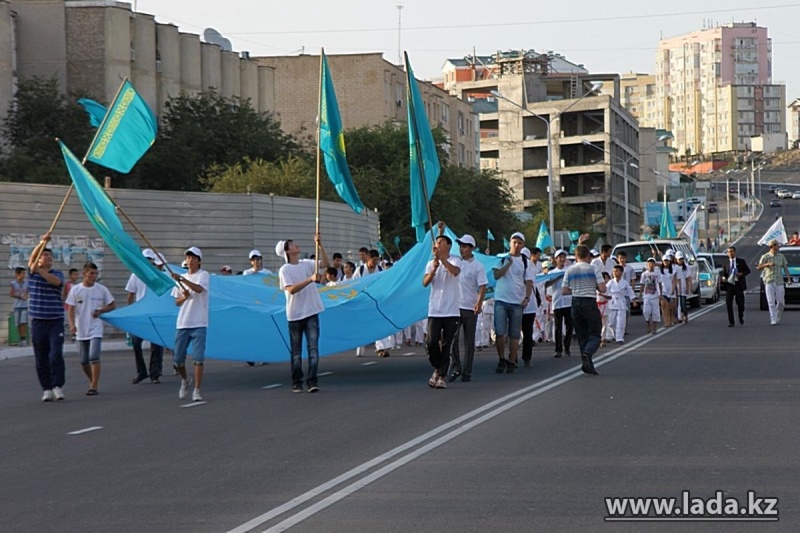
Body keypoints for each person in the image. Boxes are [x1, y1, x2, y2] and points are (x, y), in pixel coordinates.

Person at [278, 235, 329, 393]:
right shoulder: (285, 270)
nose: (296, 246)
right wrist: (309, 280)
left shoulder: (306, 264)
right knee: (296, 351)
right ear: (287, 251)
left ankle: (312, 381)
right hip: (295, 315)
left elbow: (326, 264)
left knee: (313, 348)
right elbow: (291, 289)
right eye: (292, 245)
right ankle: (297, 381)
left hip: (311, 311)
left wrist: (320, 246)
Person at [65, 262, 115, 396]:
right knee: (83, 360)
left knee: (94, 356)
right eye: (91, 273)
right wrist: (71, 325)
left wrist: (101, 310)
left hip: (96, 328)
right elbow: (70, 309)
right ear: (84, 274)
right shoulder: (76, 290)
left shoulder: (101, 289)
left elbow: (112, 305)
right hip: (81, 329)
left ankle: (94, 385)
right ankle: (91, 379)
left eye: (96, 273)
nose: (94, 276)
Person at [27, 233, 66, 402]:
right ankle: (47, 388)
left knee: (55, 354)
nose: (47, 257)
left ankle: (57, 385)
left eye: (49, 255)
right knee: (40, 356)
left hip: (55, 320)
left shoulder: (57, 274)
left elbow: (56, 282)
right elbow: (31, 259)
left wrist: (41, 270)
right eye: (44, 255)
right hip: (38, 321)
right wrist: (42, 243)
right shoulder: (32, 273)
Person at [422, 229, 461, 389]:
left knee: (447, 344)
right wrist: (434, 268)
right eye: (436, 243)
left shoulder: (456, 260)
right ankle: (437, 368)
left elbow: (455, 272)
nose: (437, 245)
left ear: (448, 245)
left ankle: (442, 375)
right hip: (435, 310)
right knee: (431, 342)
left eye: (440, 242)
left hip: (451, 310)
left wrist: (443, 261)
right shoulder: (431, 264)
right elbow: (425, 282)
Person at [170, 247, 210, 401]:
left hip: (199, 322)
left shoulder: (203, 275)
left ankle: (197, 391)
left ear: (199, 260)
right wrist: (184, 296)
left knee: (198, 358)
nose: (190, 260)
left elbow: (199, 289)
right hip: (183, 323)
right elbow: (177, 302)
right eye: (188, 258)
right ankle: (185, 379)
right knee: (178, 360)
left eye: (194, 258)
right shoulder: (181, 278)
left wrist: (183, 280)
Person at [492, 232, 535, 374]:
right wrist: (508, 264)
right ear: (510, 243)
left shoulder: (526, 262)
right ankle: (501, 359)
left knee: (515, 334)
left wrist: (527, 297)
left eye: (520, 243)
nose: (516, 246)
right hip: (501, 300)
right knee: (500, 333)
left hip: (517, 301)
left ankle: (511, 360)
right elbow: (497, 275)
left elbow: (529, 282)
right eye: (514, 242)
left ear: (523, 245)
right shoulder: (501, 258)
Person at [449, 234, 487, 383]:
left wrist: (479, 302)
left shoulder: (478, 266)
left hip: (470, 307)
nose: (462, 249)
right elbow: (440, 251)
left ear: (472, 248)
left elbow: (483, 285)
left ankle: (467, 372)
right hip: (455, 306)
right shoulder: (456, 261)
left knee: (468, 341)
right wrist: (441, 231)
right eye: (460, 246)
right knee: (453, 339)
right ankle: (456, 367)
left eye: (465, 246)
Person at [562, 244, 606, 375]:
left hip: (575, 303)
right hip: (589, 302)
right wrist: (594, 287)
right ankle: (588, 352)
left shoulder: (569, 270)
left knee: (582, 335)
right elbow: (603, 288)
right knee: (595, 334)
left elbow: (564, 290)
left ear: (576, 256)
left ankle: (587, 363)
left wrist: (575, 289)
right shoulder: (593, 268)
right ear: (588, 256)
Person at [125, 249, 165, 384]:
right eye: (145, 259)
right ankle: (141, 372)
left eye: (149, 260)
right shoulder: (136, 275)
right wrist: (130, 311)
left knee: (156, 344)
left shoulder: (157, 275)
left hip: (154, 312)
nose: (147, 262)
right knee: (136, 342)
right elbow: (131, 294)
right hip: (140, 313)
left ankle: (155, 373)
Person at [757, 240, 790, 325]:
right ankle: (773, 319)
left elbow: (785, 268)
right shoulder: (765, 256)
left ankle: (778, 315)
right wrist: (766, 264)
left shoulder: (781, 256)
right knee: (771, 302)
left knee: (781, 302)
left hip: (779, 281)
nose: (778, 247)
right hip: (769, 280)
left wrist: (788, 279)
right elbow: (758, 267)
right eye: (777, 245)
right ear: (772, 246)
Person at [547, 250, 573, 358]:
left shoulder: (569, 271)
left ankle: (567, 347)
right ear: (555, 259)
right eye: (560, 257)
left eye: (563, 257)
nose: (562, 259)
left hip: (568, 301)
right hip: (557, 302)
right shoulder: (552, 273)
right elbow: (547, 284)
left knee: (570, 326)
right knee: (558, 327)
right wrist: (557, 277)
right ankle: (558, 349)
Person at [520, 247, 543, 367]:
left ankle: (526, 357)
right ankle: (516, 357)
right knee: (519, 332)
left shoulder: (529, 266)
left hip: (528, 304)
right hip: (517, 303)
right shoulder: (514, 263)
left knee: (527, 332)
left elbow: (528, 282)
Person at [606, 265, 637, 344]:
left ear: (621, 272)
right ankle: (610, 336)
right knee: (611, 322)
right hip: (612, 302)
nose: (615, 273)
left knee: (620, 321)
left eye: (617, 271)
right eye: (613, 271)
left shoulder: (624, 282)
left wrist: (633, 300)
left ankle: (619, 338)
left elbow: (630, 291)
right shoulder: (611, 282)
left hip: (621, 303)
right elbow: (605, 291)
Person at [721, 246, 751, 327]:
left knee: (741, 304)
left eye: (732, 251)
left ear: (735, 252)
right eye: (729, 252)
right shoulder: (726, 263)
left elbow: (748, 270)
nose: (730, 253)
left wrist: (741, 274)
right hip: (729, 285)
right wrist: (723, 278)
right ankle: (731, 322)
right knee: (729, 304)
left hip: (738, 285)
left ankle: (740, 316)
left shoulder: (741, 261)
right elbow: (724, 273)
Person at [640, 257, 662, 334]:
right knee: (646, 311)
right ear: (647, 264)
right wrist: (640, 295)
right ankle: (648, 323)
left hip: (655, 295)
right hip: (646, 295)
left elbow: (659, 284)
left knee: (655, 312)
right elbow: (642, 285)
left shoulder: (657, 274)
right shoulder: (644, 274)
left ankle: (654, 328)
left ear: (654, 264)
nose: (651, 265)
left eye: (652, 263)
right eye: (649, 263)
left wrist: (660, 294)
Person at [9, 267, 29, 347]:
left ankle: (24, 339)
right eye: (22, 273)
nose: (24, 275)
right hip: (17, 306)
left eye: (25, 273)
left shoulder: (26, 283)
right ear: (17, 274)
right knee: (18, 324)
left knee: (23, 322)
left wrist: (26, 296)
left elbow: (27, 293)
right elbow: (11, 294)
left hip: (24, 305)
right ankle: (20, 338)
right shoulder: (13, 283)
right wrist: (19, 296)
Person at [658, 254, 677, 327]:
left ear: (670, 261)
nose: (666, 262)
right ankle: (666, 321)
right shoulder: (659, 270)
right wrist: (655, 255)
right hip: (663, 290)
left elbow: (674, 281)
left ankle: (671, 319)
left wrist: (673, 289)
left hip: (671, 290)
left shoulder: (673, 270)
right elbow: (652, 263)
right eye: (664, 261)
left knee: (671, 307)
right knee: (663, 305)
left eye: (667, 261)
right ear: (662, 261)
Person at [674, 251, 692, 323]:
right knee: (676, 304)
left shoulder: (686, 267)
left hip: (683, 286)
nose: (680, 260)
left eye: (681, 259)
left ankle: (685, 315)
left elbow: (688, 278)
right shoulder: (674, 267)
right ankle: (678, 317)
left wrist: (688, 288)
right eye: (679, 259)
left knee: (683, 304)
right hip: (676, 287)